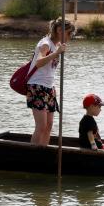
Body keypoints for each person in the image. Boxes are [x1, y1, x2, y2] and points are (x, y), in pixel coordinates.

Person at [27, 17, 75, 146]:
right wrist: (56, 53)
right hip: (37, 86)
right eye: (70, 33)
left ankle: (43, 154)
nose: (71, 36)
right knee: (41, 126)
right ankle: (32, 157)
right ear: (60, 30)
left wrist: (59, 50)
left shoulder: (57, 45)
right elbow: (38, 62)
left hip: (49, 88)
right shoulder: (46, 43)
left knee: (49, 126)